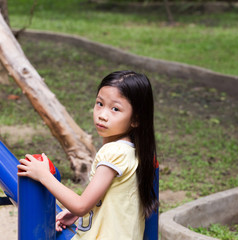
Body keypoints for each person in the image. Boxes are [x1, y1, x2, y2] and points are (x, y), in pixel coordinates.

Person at [17, 70, 159, 239]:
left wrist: (43, 175)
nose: (102, 115)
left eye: (115, 109)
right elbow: (112, 200)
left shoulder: (114, 152)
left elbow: (81, 205)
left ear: (135, 119)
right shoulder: (133, 151)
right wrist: (76, 214)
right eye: (100, 104)